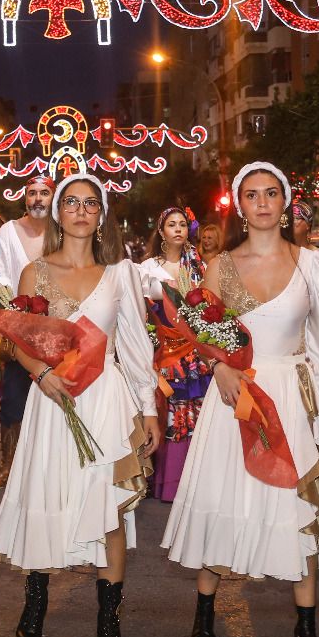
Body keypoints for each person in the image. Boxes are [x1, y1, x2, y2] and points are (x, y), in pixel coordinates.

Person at [162, 164, 319, 637]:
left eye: (271, 193)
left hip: (292, 394)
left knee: (297, 508)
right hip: (234, 397)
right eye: (251, 194)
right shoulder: (220, 265)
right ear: (239, 205)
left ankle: (305, 626)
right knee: (225, 498)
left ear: (285, 202)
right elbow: (201, 332)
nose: (262, 202)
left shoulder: (313, 264)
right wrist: (218, 366)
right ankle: (204, 612)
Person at [0, 173, 160, 637]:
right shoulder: (34, 273)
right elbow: (18, 340)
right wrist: (41, 374)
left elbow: (134, 346)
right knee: (48, 497)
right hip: (52, 401)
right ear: (58, 213)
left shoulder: (121, 273)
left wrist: (147, 410)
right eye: (71, 203)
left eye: (90, 203)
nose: (81, 210)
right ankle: (36, 601)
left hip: (105, 399)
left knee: (108, 509)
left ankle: (108, 624)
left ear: (101, 214)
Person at [137, 207, 211, 503]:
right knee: (172, 417)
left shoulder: (199, 267)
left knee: (198, 415)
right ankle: (170, 483)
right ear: (161, 230)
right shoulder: (146, 269)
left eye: (182, 224)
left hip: (196, 353)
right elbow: (141, 314)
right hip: (165, 352)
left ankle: (200, 484)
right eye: (172, 224)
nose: (178, 229)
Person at [0, 175, 56, 490]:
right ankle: (9, 464)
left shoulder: (64, 231)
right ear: (24, 198)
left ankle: (50, 466)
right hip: (19, 330)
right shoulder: (8, 232)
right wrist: (10, 321)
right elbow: (0, 279)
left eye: (45, 192)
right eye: (32, 193)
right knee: (14, 399)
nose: (38, 198)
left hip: (59, 330)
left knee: (56, 398)